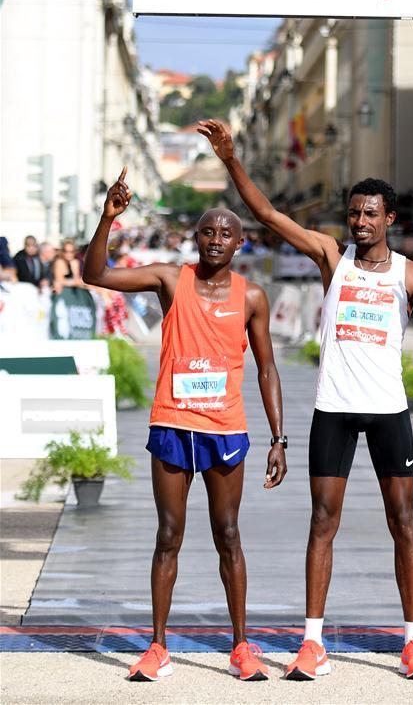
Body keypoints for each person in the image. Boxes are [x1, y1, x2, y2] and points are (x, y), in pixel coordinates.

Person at [198, 118, 413, 682]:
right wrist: (232, 159)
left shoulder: (412, 275)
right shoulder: (331, 256)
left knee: (402, 522)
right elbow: (266, 214)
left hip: (388, 411)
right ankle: (312, 642)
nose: (359, 222)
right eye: (354, 212)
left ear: (390, 219)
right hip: (333, 407)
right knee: (322, 522)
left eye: (370, 214)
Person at [83, 168, 287, 683]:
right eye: (207, 232)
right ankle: (157, 647)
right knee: (169, 534)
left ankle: (241, 646)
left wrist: (279, 438)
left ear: (241, 243)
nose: (215, 240)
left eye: (225, 233)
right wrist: (107, 218)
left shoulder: (253, 297)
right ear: (195, 239)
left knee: (228, 533)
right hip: (172, 423)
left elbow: (266, 368)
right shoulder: (172, 280)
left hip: (225, 429)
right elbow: (96, 275)